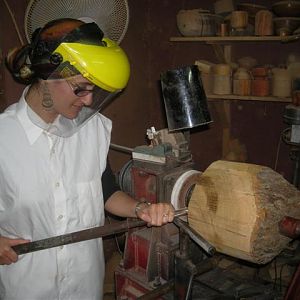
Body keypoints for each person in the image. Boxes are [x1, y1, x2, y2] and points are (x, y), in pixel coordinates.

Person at [0, 18, 175, 300]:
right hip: (26, 288)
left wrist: (141, 208)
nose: (90, 101)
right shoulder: (3, 138)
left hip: (84, 287)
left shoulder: (92, 129)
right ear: (48, 75)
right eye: (81, 87)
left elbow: (105, 191)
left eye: (94, 89)